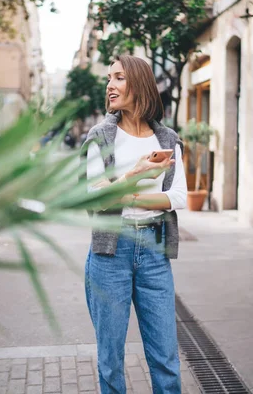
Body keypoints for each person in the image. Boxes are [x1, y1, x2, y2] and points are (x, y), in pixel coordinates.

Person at [81, 55, 187, 394]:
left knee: (166, 357)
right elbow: (94, 200)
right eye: (109, 79)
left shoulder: (167, 139)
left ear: (139, 84)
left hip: (155, 250)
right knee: (111, 359)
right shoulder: (101, 136)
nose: (110, 85)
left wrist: (128, 199)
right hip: (110, 252)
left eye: (119, 78)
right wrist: (135, 175)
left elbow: (178, 197)